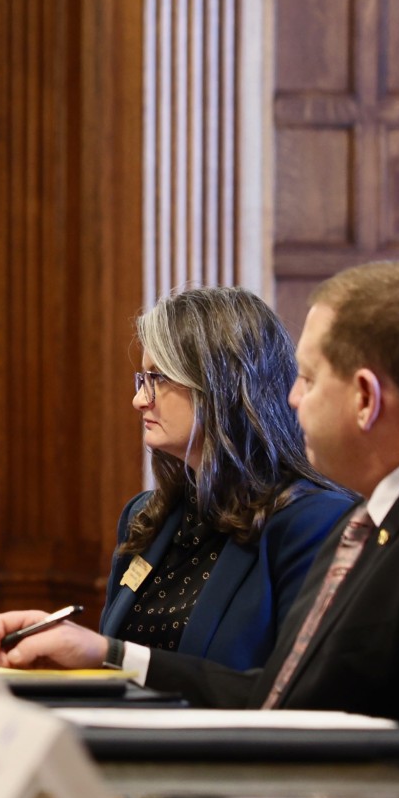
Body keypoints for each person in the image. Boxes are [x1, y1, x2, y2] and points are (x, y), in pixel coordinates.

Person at [0, 261, 399, 798]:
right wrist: (112, 655)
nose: (290, 398)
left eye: (308, 380)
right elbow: (281, 700)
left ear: (364, 397)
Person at [99, 287, 351, 670]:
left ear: (221, 385)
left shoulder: (314, 523)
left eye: (158, 378)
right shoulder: (145, 516)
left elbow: (290, 689)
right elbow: (110, 665)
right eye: (142, 378)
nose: (139, 400)